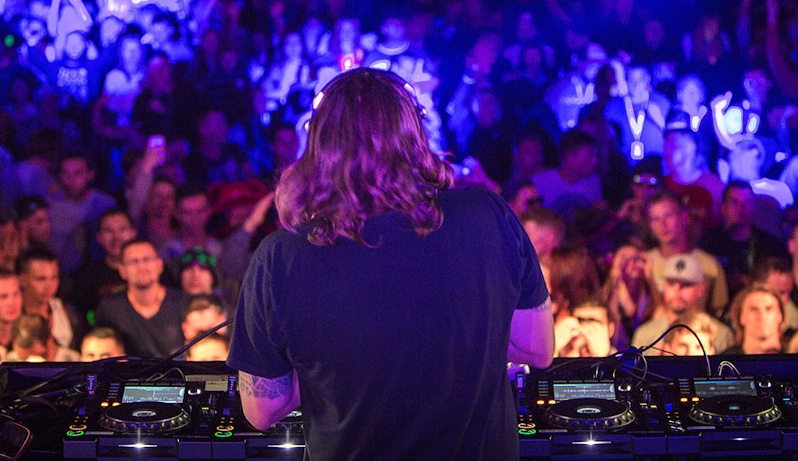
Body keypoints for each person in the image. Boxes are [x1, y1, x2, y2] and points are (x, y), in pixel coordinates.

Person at [227, 68, 553, 460]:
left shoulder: (281, 256)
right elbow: (537, 350)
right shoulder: (487, 215)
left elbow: (261, 410)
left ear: (318, 143)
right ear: (415, 131)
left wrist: (329, 369)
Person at [93, 239, 184, 358]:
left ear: (159, 265)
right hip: (126, 375)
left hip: (175, 374)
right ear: (122, 270)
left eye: (146, 259)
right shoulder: (109, 308)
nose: (141, 267)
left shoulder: (182, 301)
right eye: (133, 262)